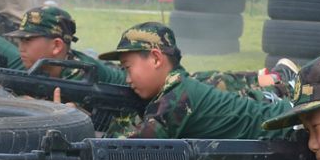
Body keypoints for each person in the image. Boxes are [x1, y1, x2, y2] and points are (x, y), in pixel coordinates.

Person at [98, 22, 298, 139]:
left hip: (291, 128)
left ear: (156, 58)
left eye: (128, 68)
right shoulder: (179, 87)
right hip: (284, 124)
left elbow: (126, 149)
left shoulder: (177, 99)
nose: (127, 78)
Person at [5, 6, 128, 84]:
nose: (21, 47)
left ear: (56, 46)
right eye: (20, 40)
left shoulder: (79, 74)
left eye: (27, 40)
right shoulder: (37, 66)